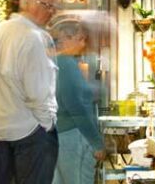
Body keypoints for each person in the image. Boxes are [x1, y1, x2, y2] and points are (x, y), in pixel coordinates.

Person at [0, 0, 67, 184]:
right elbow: (38, 91)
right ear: (33, 4)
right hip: (30, 131)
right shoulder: (34, 38)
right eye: (50, 6)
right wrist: (47, 124)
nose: (53, 13)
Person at [50, 16, 106, 184]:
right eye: (80, 39)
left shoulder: (52, 62)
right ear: (66, 39)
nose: (83, 44)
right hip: (73, 136)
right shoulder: (66, 64)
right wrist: (96, 142)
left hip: (56, 134)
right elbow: (77, 107)